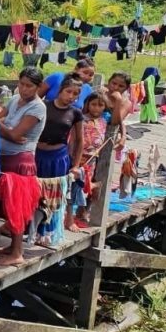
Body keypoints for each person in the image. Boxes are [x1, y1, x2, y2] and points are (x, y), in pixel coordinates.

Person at [0, 67, 47, 266]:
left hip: (21, 159)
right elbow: (1, 119)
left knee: (17, 204)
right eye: (21, 84)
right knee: (7, 204)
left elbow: (16, 135)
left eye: (29, 86)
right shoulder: (15, 99)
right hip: (5, 156)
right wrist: (3, 127)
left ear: (38, 87)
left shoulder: (38, 108)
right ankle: (11, 246)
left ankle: (17, 251)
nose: (24, 89)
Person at [36, 73, 84, 237]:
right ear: (60, 90)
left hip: (58, 158)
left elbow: (79, 141)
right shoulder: (43, 106)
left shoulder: (76, 113)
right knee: (37, 193)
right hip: (38, 156)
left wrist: (76, 165)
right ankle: (34, 230)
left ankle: (48, 232)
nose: (71, 96)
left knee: (54, 195)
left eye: (75, 94)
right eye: (68, 92)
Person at [75, 91, 109, 226]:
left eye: (100, 105)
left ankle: (84, 210)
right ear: (87, 105)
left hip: (97, 157)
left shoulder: (103, 121)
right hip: (82, 158)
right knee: (81, 184)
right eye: (93, 104)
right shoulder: (82, 120)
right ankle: (79, 209)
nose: (96, 108)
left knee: (92, 184)